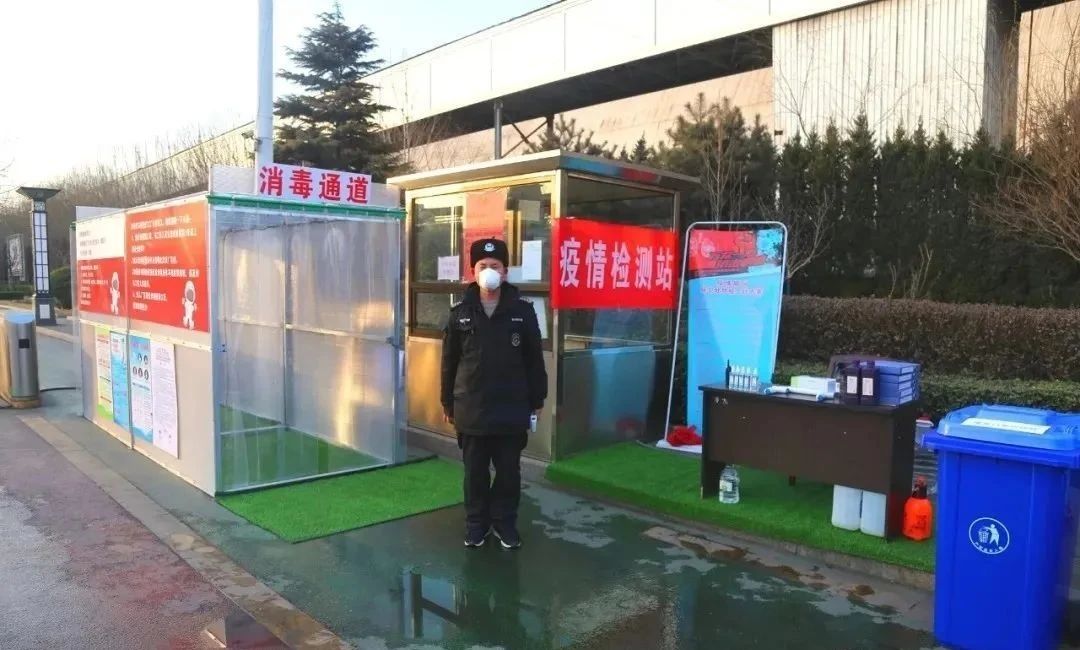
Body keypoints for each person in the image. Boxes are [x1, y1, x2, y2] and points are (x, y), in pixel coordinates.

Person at [441, 238, 547, 550]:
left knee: (508, 473)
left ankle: (504, 524)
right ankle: (476, 525)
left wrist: (537, 399)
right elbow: (449, 362)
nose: (489, 271)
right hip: (471, 407)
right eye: (483, 266)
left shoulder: (522, 312)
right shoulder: (459, 313)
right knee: (474, 473)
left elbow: (534, 359)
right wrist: (447, 402)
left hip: (511, 407)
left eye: (496, 266)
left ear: (505, 271)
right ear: (473, 271)